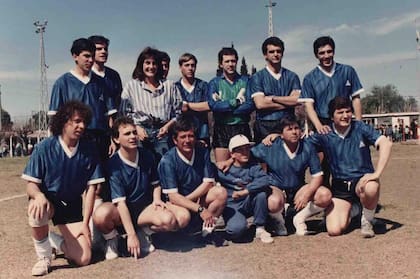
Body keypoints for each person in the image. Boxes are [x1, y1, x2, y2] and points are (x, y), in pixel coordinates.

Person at [22, 101, 104, 276]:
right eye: (76, 121)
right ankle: (44, 258)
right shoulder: (44, 148)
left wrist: (85, 224)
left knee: (83, 258)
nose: (81, 126)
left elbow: (91, 190)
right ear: (63, 121)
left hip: (72, 206)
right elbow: (31, 185)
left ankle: (54, 239)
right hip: (48, 202)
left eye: (83, 122)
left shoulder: (89, 149)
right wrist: (38, 196)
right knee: (37, 209)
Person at [92, 117, 188, 260]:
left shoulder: (147, 155)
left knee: (181, 217)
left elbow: (156, 184)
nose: (132, 137)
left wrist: (156, 199)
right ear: (116, 139)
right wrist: (130, 235)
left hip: (143, 209)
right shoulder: (113, 165)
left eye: (134, 133)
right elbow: (120, 203)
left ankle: (144, 232)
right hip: (121, 212)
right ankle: (113, 239)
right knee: (101, 215)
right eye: (127, 134)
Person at [309, 96, 392, 237]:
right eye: (340, 112)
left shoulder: (360, 127)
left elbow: (386, 143)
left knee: (371, 187)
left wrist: (376, 174)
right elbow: (300, 146)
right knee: (334, 230)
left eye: (348, 111)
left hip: (361, 182)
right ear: (331, 116)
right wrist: (275, 137)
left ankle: (367, 220)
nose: (345, 116)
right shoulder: (325, 134)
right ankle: (356, 210)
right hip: (340, 187)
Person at [252, 115, 332, 235]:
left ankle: (299, 218)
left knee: (325, 195)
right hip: (277, 188)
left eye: (296, 128)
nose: (294, 132)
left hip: (298, 189)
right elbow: (246, 155)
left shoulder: (307, 147)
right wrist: (229, 161)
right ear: (281, 134)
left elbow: (317, 176)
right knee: (272, 202)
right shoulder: (270, 145)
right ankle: (278, 221)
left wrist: (307, 195)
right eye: (289, 129)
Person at [48, 38, 117, 161]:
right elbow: (54, 118)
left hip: (100, 139)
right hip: (75, 139)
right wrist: (56, 144)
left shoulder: (102, 83)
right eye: (86, 56)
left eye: (92, 56)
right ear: (75, 56)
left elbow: (110, 117)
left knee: (101, 178)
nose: (90, 60)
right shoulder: (62, 83)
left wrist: (112, 140)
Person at [158, 116, 227, 237]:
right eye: (183, 137)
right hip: (176, 204)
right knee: (183, 217)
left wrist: (190, 202)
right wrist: (198, 208)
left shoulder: (202, 151)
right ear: (175, 140)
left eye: (190, 136)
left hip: (195, 198)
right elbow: (173, 197)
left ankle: (206, 230)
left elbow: (208, 183)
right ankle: (177, 236)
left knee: (220, 192)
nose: (187, 140)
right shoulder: (167, 160)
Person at [120, 47, 182, 161]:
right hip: (140, 133)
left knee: (163, 165)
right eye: (147, 63)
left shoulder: (169, 86)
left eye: (154, 63)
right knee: (143, 166)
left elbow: (178, 113)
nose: (151, 67)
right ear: (141, 65)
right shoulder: (131, 86)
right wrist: (136, 128)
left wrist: (167, 127)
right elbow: (124, 114)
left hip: (162, 133)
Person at [300, 36, 364, 134]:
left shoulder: (348, 71)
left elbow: (356, 98)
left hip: (345, 122)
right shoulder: (310, 78)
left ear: (334, 52)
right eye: (322, 53)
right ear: (316, 55)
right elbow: (308, 106)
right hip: (323, 124)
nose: (326, 56)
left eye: (329, 51)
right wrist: (318, 126)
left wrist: (359, 124)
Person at [217, 135, 274, 243]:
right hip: (232, 207)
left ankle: (260, 228)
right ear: (232, 153)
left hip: (248, 202)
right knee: (236, 231)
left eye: (247, 149)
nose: (245, 152)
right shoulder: (223, 169)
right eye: (240, 150)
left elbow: (265, 180)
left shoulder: (253, 166)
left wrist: (245, 191)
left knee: (260, 193)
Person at [248, 36, 301, 143]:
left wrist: (273, 98)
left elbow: (297, 100)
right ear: (265, 55)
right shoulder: (257, 77)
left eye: (278, 51)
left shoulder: (292, 76)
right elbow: (260, 104)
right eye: (272, 52)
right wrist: (287, 102)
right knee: (265, 159)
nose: (276, 54)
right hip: (264, 126)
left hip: (288, 125)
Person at [208, 47, 254, 162]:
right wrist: (236, 102)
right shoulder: (214, 82)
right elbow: (214, 106)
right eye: (227, 61)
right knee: (222, 167)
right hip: (221, 129)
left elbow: (250, 104)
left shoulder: (246, 81)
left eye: (233, 61)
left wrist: (226, 107)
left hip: (241, 126)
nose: (230, 64)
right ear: (220, 64)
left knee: (243, 167)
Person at [175, 53, 210, 147]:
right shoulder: (175, 87)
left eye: (193, 65)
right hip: (182, 133)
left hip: (202, 132)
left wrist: (188, 105)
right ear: (180, 67)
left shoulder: (203, 85)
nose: (190, 68)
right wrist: (198, 106)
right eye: (187, 65)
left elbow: (208, 105)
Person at [88, 35, 123, 108]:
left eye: (105, 49)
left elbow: (119, 101)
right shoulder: (86, 75)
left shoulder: (114, 75)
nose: (103, 52)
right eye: (99, 49)